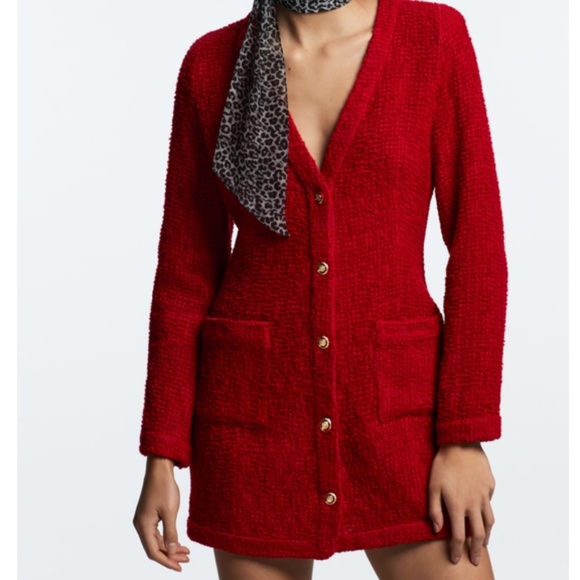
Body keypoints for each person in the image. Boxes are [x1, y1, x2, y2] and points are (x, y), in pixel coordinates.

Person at [133, 0, 508, 578]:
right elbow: (186, 276)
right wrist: (163, 453)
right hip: (255, 430)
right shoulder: (211, 66)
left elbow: (478, 246)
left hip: (401, 420)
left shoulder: (433, 40)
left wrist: (464, 435)